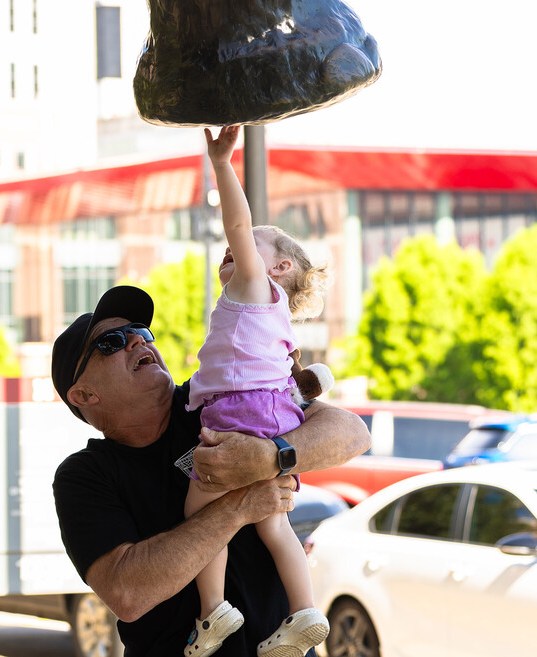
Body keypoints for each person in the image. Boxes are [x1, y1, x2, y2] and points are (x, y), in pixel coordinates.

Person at [50, 284, 370, 656]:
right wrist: (239, 506)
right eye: (111, 342)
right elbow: (128, 592)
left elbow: (351, 432)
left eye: (140, 331)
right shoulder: (85, 476)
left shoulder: (215, 400)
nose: (136, 342)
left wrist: (270, 456)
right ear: (85, 395)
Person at [180, 125, 330, 657]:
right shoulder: (273, 318)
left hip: (238, 414)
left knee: (203, 511)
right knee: (274, 523)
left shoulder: (251, 286)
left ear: (279, 267)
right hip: (268, 412)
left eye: (246, 247)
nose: (234, 248)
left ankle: (213, 609)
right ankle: (306, 612)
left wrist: (222, 163)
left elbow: (238, 221)